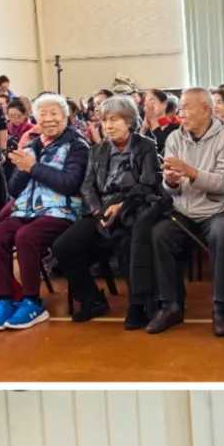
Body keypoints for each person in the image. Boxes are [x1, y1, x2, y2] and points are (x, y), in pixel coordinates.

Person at [134, 87, 224, 335]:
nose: (181, 113)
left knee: (222, 233)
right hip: (184, 209)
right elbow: (171, 188)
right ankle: (171, 305)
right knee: (160, 234)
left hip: (218, 209)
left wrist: (190, 172)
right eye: (180, 107)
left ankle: (220, 306)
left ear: (205, 109)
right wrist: (170, 181)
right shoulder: (175, 138)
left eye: (186, 107)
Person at [50, 95, 160, 322]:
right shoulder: (97, 150)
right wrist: (98, 211)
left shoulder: (146, 146)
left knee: (126, 242)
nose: (108, 126)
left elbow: (148, 184)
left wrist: (121, 205)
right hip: (101, 211)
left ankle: (138, 304)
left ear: (129, 121)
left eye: (114, 120)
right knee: (63, 246)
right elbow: (87, 186)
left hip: (132, 208)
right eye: (104, 120)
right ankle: (92, 300)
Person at [0, 93, 89, 331]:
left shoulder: (77, 145)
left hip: (61, 212)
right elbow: (14, 189)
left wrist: (33, 167)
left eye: (54, 113)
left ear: (66, 117)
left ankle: (32, 301)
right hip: (26, 211)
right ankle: (4, 300)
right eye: (43, 114)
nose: (49, 119)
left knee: (26, 236)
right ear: (36, 118)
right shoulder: (32, 146)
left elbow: (69, 184)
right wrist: (22, 166)